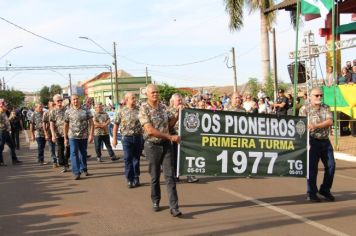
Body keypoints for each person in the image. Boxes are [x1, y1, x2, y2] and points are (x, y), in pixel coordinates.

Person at [138, 84, 182, 217]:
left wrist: (178, 115)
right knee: (155, 176)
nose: (155, 94)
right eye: (153, 93)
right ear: (147, 94)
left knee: (170, 177)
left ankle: (174, 207)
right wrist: (170, 136)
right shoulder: (143, 109)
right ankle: (156, 200)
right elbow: (150, 130)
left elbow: (169, 124)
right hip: (152, 146)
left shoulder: (163, 107)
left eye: (157, 92)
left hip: (166, 145)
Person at [299, 87, 335, 202]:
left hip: (325, 141)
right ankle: (311, 192)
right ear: (310, 96)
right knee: (312, 169)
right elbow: (301, 125)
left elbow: (330, 121)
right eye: (316, 95)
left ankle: (325, 189)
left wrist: (315, 126)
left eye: (321, 95)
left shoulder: (326, 107)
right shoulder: (304, 109)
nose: (319, 97)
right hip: (312, 141)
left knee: (331, 166)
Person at [112, 92, 143, 188]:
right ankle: (130, 179)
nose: (135, 99)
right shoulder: (121, 111)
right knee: (127, 159)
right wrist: (114, 138)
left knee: (136, 159)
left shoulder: (140, 110)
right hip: (126, 139)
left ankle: (136, 176)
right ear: (126, 100)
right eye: (132, 98)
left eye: (135, 98)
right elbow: (116, 125)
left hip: (138, 137)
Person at [169, 93, 199, 184]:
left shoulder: (187, 110)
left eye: (181, 100)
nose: (180, 102)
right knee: (175, 157)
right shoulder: (169, 111)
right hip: (174, 137)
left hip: (186, 137)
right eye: (178, 100)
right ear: (173, 101)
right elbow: (169, 125)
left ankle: (190, 175)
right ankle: (175, 175)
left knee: (188, 156)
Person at [64, 94, 94, 180]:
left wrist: (91, 134)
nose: (75, 101)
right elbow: (65, 125)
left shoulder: (86, 110)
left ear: (79, 100)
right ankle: (76, 172)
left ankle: (83, 168)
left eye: (77, 99)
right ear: (71, 101)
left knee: (83, 153)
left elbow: (91, 123)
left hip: (84, 135)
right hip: (72, 136)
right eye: (73, 99)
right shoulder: (68, 111)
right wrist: (65, 138)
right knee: (74, 153)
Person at [50, 94, 70, 173]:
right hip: (58, 134)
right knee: (60, 149)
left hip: (68, 133)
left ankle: (65, 162)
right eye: (58, 101)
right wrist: (53, 135)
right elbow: (51, 124)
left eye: (61, 100)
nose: (60, 102)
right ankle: (63, 164)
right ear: (55, 102)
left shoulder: (66, 109)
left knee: (69, 149)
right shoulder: (53, 111)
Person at [0, 100, 22, 166]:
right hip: (2, 131)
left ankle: (14, 159)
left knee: (12, 146)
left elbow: (6, 121)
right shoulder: (0, 113)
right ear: (1, 106)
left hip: (5, 132)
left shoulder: (4, 112)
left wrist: (10, 117)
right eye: (5, 105)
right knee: (1, 147)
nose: (6, 106)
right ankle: (1, 162)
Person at [43, 100, 58, 168]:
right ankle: (54, 161)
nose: (53, 105)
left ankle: (60, 159)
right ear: (49, 105)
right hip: (49, 133)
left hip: (58, 132)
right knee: (51, 148)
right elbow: (44, 124)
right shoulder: (46, 113)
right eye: (52, 104)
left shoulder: (57, 112)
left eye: (54, 104)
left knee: (59, 148)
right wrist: (45, 134)